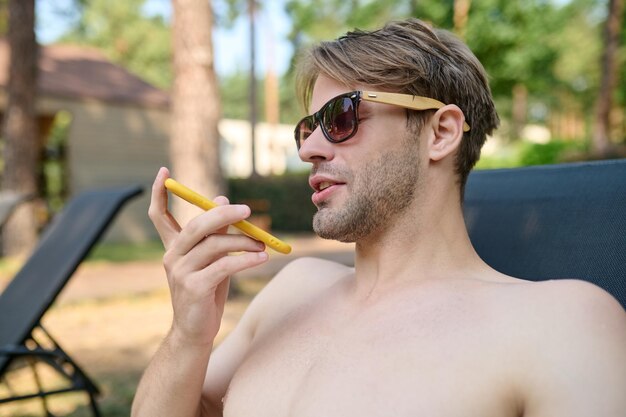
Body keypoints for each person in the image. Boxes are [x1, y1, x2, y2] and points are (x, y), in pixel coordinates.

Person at [132, 18, 626, 417]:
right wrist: (187, 336)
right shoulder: (293, 289)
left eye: (341, 118)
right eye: (306, 127)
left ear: (441, 132)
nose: (308, 148)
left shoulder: (560, 322)